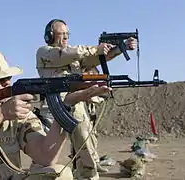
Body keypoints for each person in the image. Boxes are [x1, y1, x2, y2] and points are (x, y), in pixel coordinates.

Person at [0, 50, 112, 180]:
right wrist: (1, 113)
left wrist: (66, 106)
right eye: (0, 81)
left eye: (8, 79)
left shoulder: (16, 109)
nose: (7, 84)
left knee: (59, 173)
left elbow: (44, 156)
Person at [36, 19, 137, 180]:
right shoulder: (45, 52)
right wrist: (95, 49)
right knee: (44, 151)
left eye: (67, 34)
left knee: (85, 144)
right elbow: (65, 55)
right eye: (60, 34)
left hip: (76, 102)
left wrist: (120, 48)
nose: (65, 38)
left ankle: (87, 176)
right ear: (50, 36)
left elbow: (94, 59)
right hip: (53, 105)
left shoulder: (75, 56)